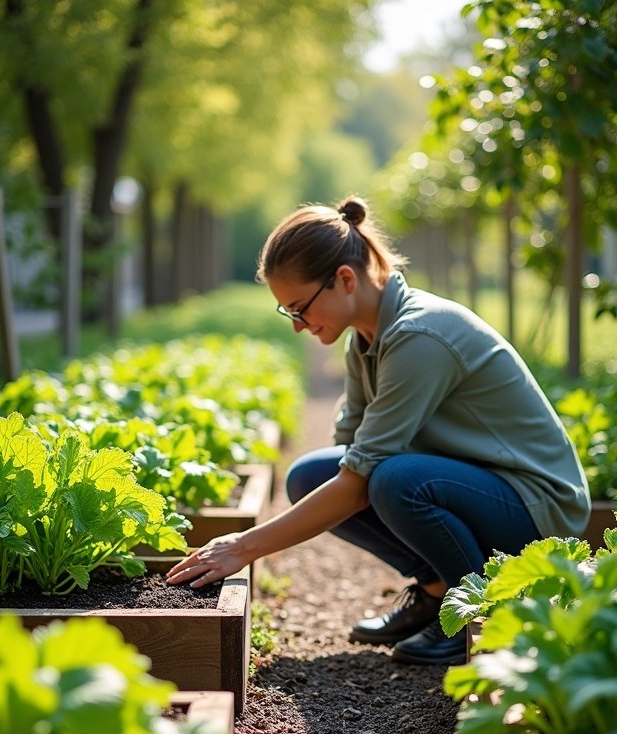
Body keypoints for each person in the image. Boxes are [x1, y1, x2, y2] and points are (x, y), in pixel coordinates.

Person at [167, 196, 591, 665]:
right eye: (289, 314)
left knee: (393, 481)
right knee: (309, 476)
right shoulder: (367, 338)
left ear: (345, 279)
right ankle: (437, 593)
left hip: (537, 507)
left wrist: (243, 546)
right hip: (479, 486)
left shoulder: (419, 336)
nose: (298, 326)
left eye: (299, 309)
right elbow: (350, 452)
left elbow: (360, 481)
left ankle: (478, 608)